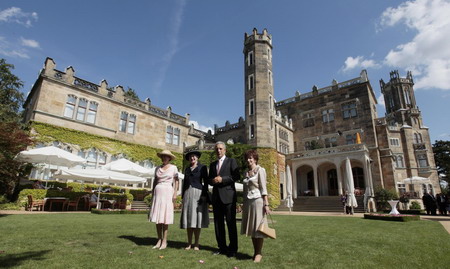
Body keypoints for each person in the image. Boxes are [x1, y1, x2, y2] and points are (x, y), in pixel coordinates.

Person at [208, 141, 239, 258]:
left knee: (231, 224)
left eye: (220, 149)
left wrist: (222, 179)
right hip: (216, 198)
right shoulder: (212, 165)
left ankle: (233, 249)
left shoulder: (231, 161)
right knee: (218, 224)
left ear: (225, 150)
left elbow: (236, 176)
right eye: (216, 149)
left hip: (229, 197)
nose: (218, 151)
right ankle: (222, 248)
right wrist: (213, 180)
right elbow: (209, 180)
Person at [241, 149, 270, 263]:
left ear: (255, 159)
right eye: (247, 158)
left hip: (258, 201)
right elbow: (245, 190)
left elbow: (263, 188)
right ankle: (255, 252)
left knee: (259, 229)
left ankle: (259, 253)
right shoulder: (246, 172)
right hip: (248, 202)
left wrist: (266, 204)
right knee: (253, 229)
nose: (248, 160)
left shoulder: (260, 170)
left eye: (250, 158)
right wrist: (243, 203)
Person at [149, 150, 179, 250]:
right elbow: (155, 181)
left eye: (166, 156)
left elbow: (176, 181)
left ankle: (165, 240)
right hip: (158, 192)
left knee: (165, 217)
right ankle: (159, 239)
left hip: (167, 192)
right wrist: (152, 192)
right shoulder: (157, 168)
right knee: (158, 217)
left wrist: (175, 193)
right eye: (163, 156)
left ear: (169, 158)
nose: (164, 158)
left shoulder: (174, 168)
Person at [180, 150, 209, 250]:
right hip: (188, 193)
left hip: (198, 194)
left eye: (194, 156)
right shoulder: (187, 169)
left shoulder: (203, 168)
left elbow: (206, 183)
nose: (192, 158)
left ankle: (196, 243)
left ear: (197, 158)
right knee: (189, 219)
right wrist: (183, 196)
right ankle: (189, 243)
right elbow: (184, 183)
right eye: (191, 157)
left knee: (197, 219)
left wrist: (204, 196)